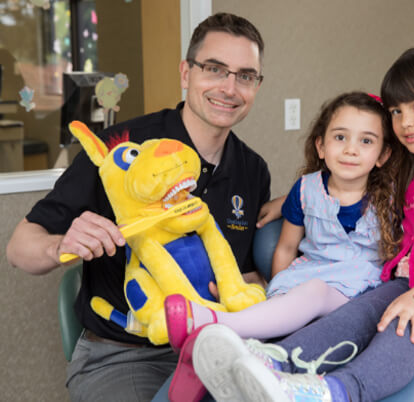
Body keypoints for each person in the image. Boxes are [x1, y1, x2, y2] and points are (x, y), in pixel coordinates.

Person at [188, 46, 414, 402]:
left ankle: (334, 392)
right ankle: (271, 363)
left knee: (402, 325)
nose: (405, 122)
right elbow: (351, 175)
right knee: (362, 311)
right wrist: (289, 200)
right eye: (396, 111)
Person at [6, 12, 280, 401]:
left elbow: (246, 272)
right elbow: (19, 247)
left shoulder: (252, 169)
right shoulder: (121, 150)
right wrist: (59, 245)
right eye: (215, 69)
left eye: (246, 75)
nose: (230, 88)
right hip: (123, 356)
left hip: (216, 348)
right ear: (186, 73)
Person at [163, 92, 402, 349]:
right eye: (340, 137)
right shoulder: (305, 190)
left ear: (383, 155)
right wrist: (278, 291)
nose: (350, 149)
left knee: (315, 292)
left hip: (357, 287)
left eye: (366, 141)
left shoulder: (392, 197)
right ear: (321, 147)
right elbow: (286, 247)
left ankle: (215, 325)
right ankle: (216, 351)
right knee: (281, 308)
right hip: (309, 273)